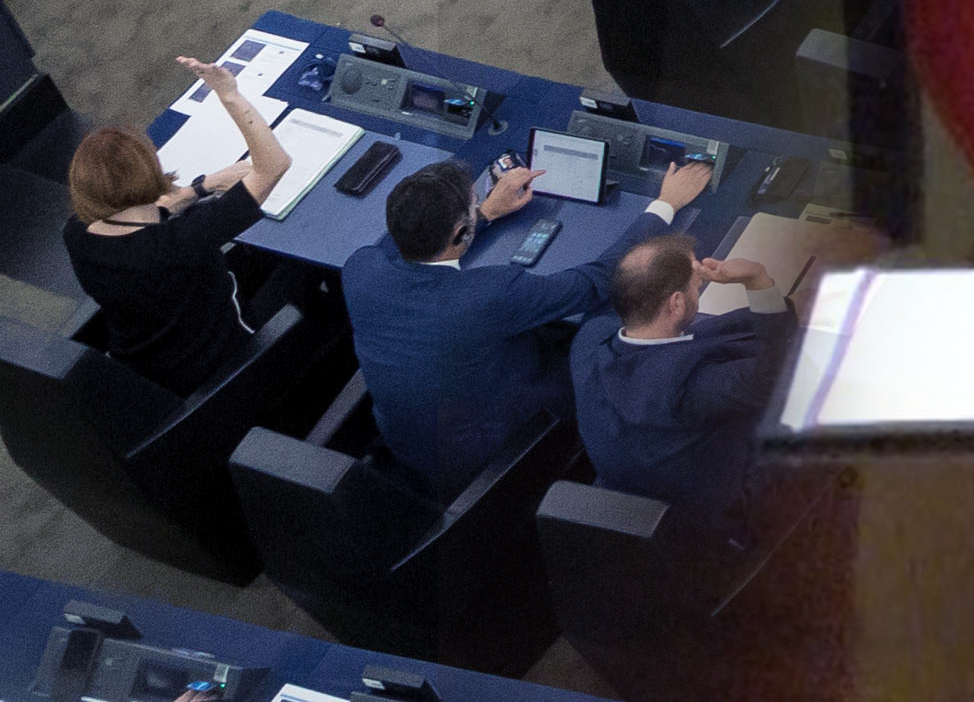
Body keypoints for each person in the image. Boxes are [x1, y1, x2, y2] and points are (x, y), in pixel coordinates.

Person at [339, 149, 723, 496]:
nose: (478, 206)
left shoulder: (361, 268)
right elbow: (598, 280)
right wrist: (665, 205)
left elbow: (406, 250)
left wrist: (487, 212)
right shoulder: (490, 294)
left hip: (411, 449)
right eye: (473, 205)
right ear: (459, 231)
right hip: (492, 459)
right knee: (605, 324)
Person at [63, 51, 290, 389]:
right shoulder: (179, 243)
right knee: (298, 276)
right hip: (224, 369)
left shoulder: (76, 233)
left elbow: (148, 213)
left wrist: (202, 187)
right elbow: (273, 166)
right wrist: (228, 93)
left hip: (148, 369)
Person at [568, 230, 795, 526]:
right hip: (714, 511)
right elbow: (776, 374)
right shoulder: (688, 386)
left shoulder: (589, 341)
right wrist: (757, 280)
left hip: (634, 490)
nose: (699, 283)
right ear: (675, 303)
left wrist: (780, 306)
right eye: (696, 282)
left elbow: (690, 336)